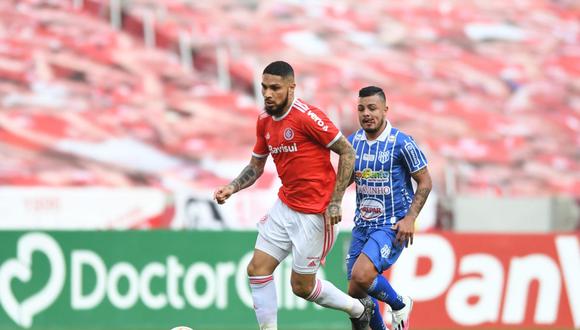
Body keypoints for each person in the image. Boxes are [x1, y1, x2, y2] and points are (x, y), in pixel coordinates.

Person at [213, 61, 374, 330]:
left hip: (316, 214)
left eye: (275, 88)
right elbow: (256, 166)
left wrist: (335, 201)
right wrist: (232, 187)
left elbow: (347, 151)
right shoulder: (264, 120)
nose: (267, 94)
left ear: (291, 87)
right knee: (257, 269)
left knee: (301, 287)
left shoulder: (307, 117)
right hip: (285, 206)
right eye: (264, 87)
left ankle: (358, 309)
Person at [346, 86, 432, 330]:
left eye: (372, 108)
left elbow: (425, 181)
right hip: (362, 225)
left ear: (385, 109)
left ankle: (399, 304)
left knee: (362, 276)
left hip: (391, 225)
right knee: (355, 291)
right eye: (361, 108)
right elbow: (345, 178)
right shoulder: (352, 143)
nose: (366, 114)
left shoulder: (402, 143)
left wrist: (410, 219)